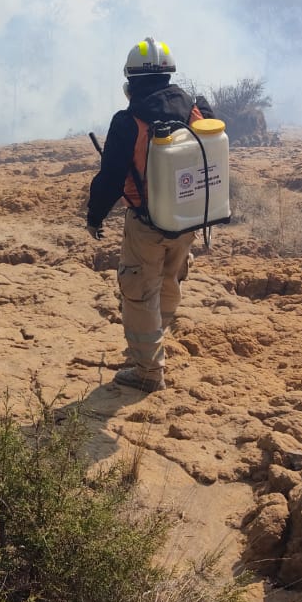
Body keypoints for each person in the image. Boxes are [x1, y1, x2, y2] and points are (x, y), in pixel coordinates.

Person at [86, 38, 213, 393]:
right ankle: (152, 347)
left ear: (131, 80)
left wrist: (94, 217)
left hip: (147, 223)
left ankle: (147, 372)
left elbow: (111, 178)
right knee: (170, 281)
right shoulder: (196, 108)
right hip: (188, 218)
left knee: (140, 292)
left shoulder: (129, 120)